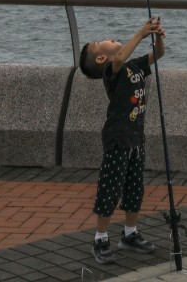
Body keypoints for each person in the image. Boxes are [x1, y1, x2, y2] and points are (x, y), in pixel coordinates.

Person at [78, 15, 167, 265]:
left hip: (136, 139)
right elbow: (119, 58)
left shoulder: (134, 66)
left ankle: (129, 233)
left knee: (134, 189)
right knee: (110, 189)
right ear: (101, 59)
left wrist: (157, 36)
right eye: (100, 42)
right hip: (118, 140)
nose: (107, 38)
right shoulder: (112, 72)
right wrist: (141, 33)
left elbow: (158, 54)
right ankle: (101, 237)